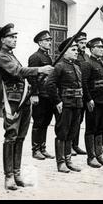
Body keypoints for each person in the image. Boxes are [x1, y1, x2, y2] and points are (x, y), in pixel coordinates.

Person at [0, 24, 54, 190]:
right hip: (13, 102)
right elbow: (18, 72)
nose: (14, 40)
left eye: (15, 37)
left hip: (23, 100)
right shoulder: (2, 57)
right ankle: (8, 177)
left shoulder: (11, 55)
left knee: (20, 137)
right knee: (11, 137)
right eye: (11, 37)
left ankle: (17, 174)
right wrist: (40, 69)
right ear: (3, 39)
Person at [45, 37, 83, 173]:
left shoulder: (77, 67)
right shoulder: (60, 66)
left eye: (77, 50)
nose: (76, 52)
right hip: (65, 104)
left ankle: (68, 160)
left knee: (72, 132)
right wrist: (57, 101)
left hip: (77, 103)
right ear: (65, 52)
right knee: (62, 132)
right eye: (73, 50)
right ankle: (60, 162)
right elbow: (50, 84)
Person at [81, 37, 103, 168]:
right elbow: (84, 83)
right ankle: (91, 157)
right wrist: (88, 99)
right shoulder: (88, 64)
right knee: (91, 129)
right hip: (95, 102)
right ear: (92, 49)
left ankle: (99, 155)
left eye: (101, 47)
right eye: (98, 47)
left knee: (101, 128)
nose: (101, 49)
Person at [28, 30, 57, 160]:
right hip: (39, 94)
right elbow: (31, 77)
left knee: (46, 121)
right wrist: (34, 94)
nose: (49, 42)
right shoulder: (35, 57)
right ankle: (35, 149)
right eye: (46, 40)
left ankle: (43, 148)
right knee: (38, 122)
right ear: (40, 43)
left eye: (50, 40)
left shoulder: (48, 57)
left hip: (48, 95)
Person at [72, 32, 89, 155]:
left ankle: (76, 144)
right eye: (81, 43)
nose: (83, 45)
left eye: (85, 43)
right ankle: (71, 145)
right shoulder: (74, 57)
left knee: (80, 119)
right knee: (74, 120)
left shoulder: (87, 56)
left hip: (85, 91)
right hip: (76, 91)